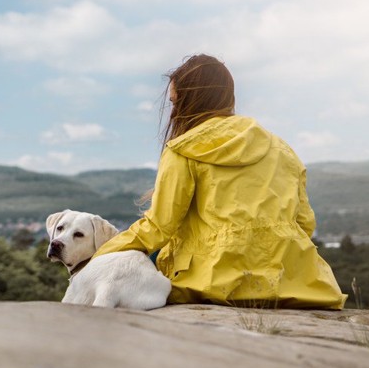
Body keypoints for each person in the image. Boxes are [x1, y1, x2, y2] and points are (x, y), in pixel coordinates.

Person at [93, 54, 347, 309]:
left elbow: (159, 227)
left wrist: (97, 257)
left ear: (189, 101)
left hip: (213, 283)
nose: (173, 110)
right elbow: (305, 224)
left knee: (151, 255)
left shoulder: (183, 149)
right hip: (294, 283)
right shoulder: (282, 149)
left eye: (174, 101)